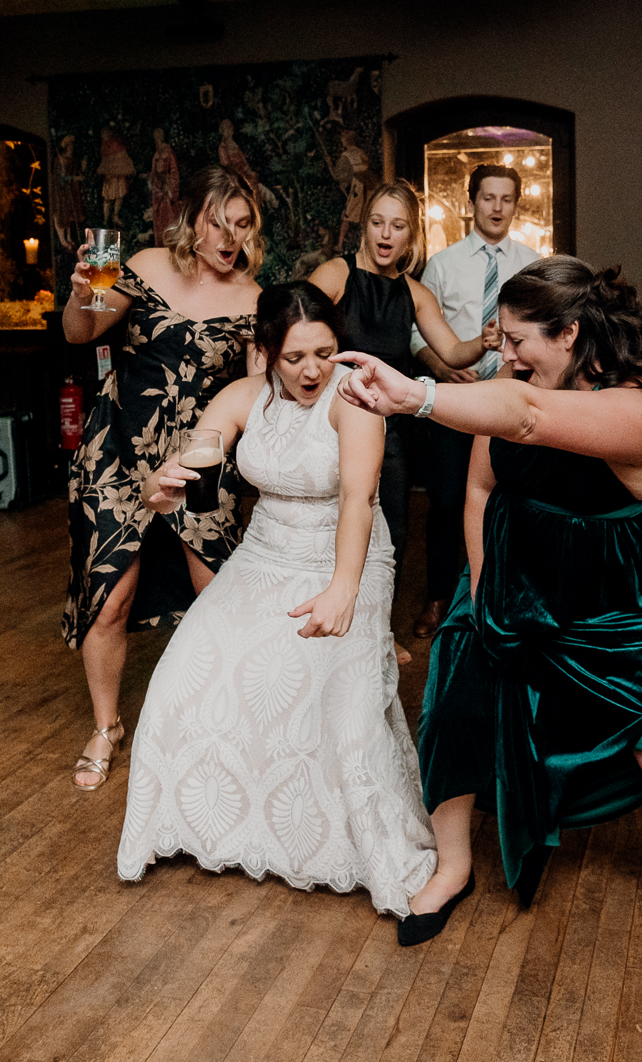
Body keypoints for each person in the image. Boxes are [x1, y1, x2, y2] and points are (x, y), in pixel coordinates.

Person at [332, 257, 642, 961]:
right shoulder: (515, 382)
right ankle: (452, 867)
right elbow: (481, 488)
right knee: (453, 706)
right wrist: (482, 592)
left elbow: (531, 421)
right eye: (498, 338)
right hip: (512, 585)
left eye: (514, 339)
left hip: (620, 608)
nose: (501, 354)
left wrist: (417, 395)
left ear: (569, 333)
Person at [117, 283, 437, 923]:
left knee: (339, 709)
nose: (314, 369)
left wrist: (343, 586)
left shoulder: (355, 399)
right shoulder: (241, 397)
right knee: (182, 680)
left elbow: (358, 500)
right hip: (264, 555)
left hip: (350, 556)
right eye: (295, 357)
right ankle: (214, 831)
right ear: (265, 352)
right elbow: (201, 453)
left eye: (325, 350)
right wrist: (164, 485)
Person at [62, 166, 261, 790]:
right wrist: (79, 293)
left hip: (202, 465)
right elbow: (81, 332)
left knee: (215, 599)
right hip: (118, 449)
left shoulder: (257, 300)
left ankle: (224, 725)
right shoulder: (145, 265)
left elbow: (258, 388)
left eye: (243, 224)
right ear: (193, 218)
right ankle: (105, 725)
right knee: (110, 597)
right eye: (218, 220)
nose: (229, 237)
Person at [308, 181, 498, 580]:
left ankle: (380, 634)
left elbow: (451, 353)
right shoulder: (337, 273)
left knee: (391, 531)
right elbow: (296, 326)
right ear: (366, 226)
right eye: (378, 223)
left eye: (397, 226)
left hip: (391, 431)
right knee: (330, 527)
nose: (385, 234)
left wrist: (483, 341)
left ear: (411, 234)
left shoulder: (416, 293)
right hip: (332, 423)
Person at [410, 164, 540, 637]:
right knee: (445, 502)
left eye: (507, 199)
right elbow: (414, 331)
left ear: (516, 204)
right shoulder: (442, 265)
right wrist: (439, 365)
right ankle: (440, 598)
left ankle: (502, 595)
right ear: (472, 203)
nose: (498, 208)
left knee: (510, 501)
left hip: (509, 404)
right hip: (455, 402)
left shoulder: (532, 263)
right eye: (488, 198)